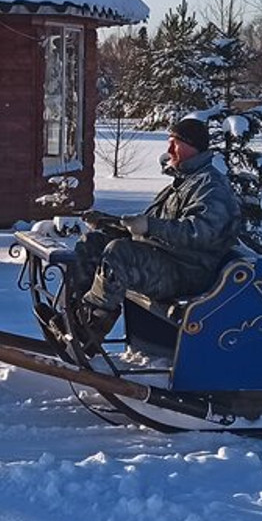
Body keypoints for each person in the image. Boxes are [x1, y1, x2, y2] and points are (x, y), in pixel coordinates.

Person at [65, 116, 241, 349]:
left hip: (190, 271)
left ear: (194, 146)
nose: (169, 150)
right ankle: (73, 317)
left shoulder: (210, 185)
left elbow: (202, 232)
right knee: (94, 243)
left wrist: (150, 226)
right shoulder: (183, 183)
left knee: (121, 255)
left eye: (175, 143)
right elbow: (149, 226)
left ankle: (88, 331)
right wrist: (108, 223)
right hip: (169, 260)